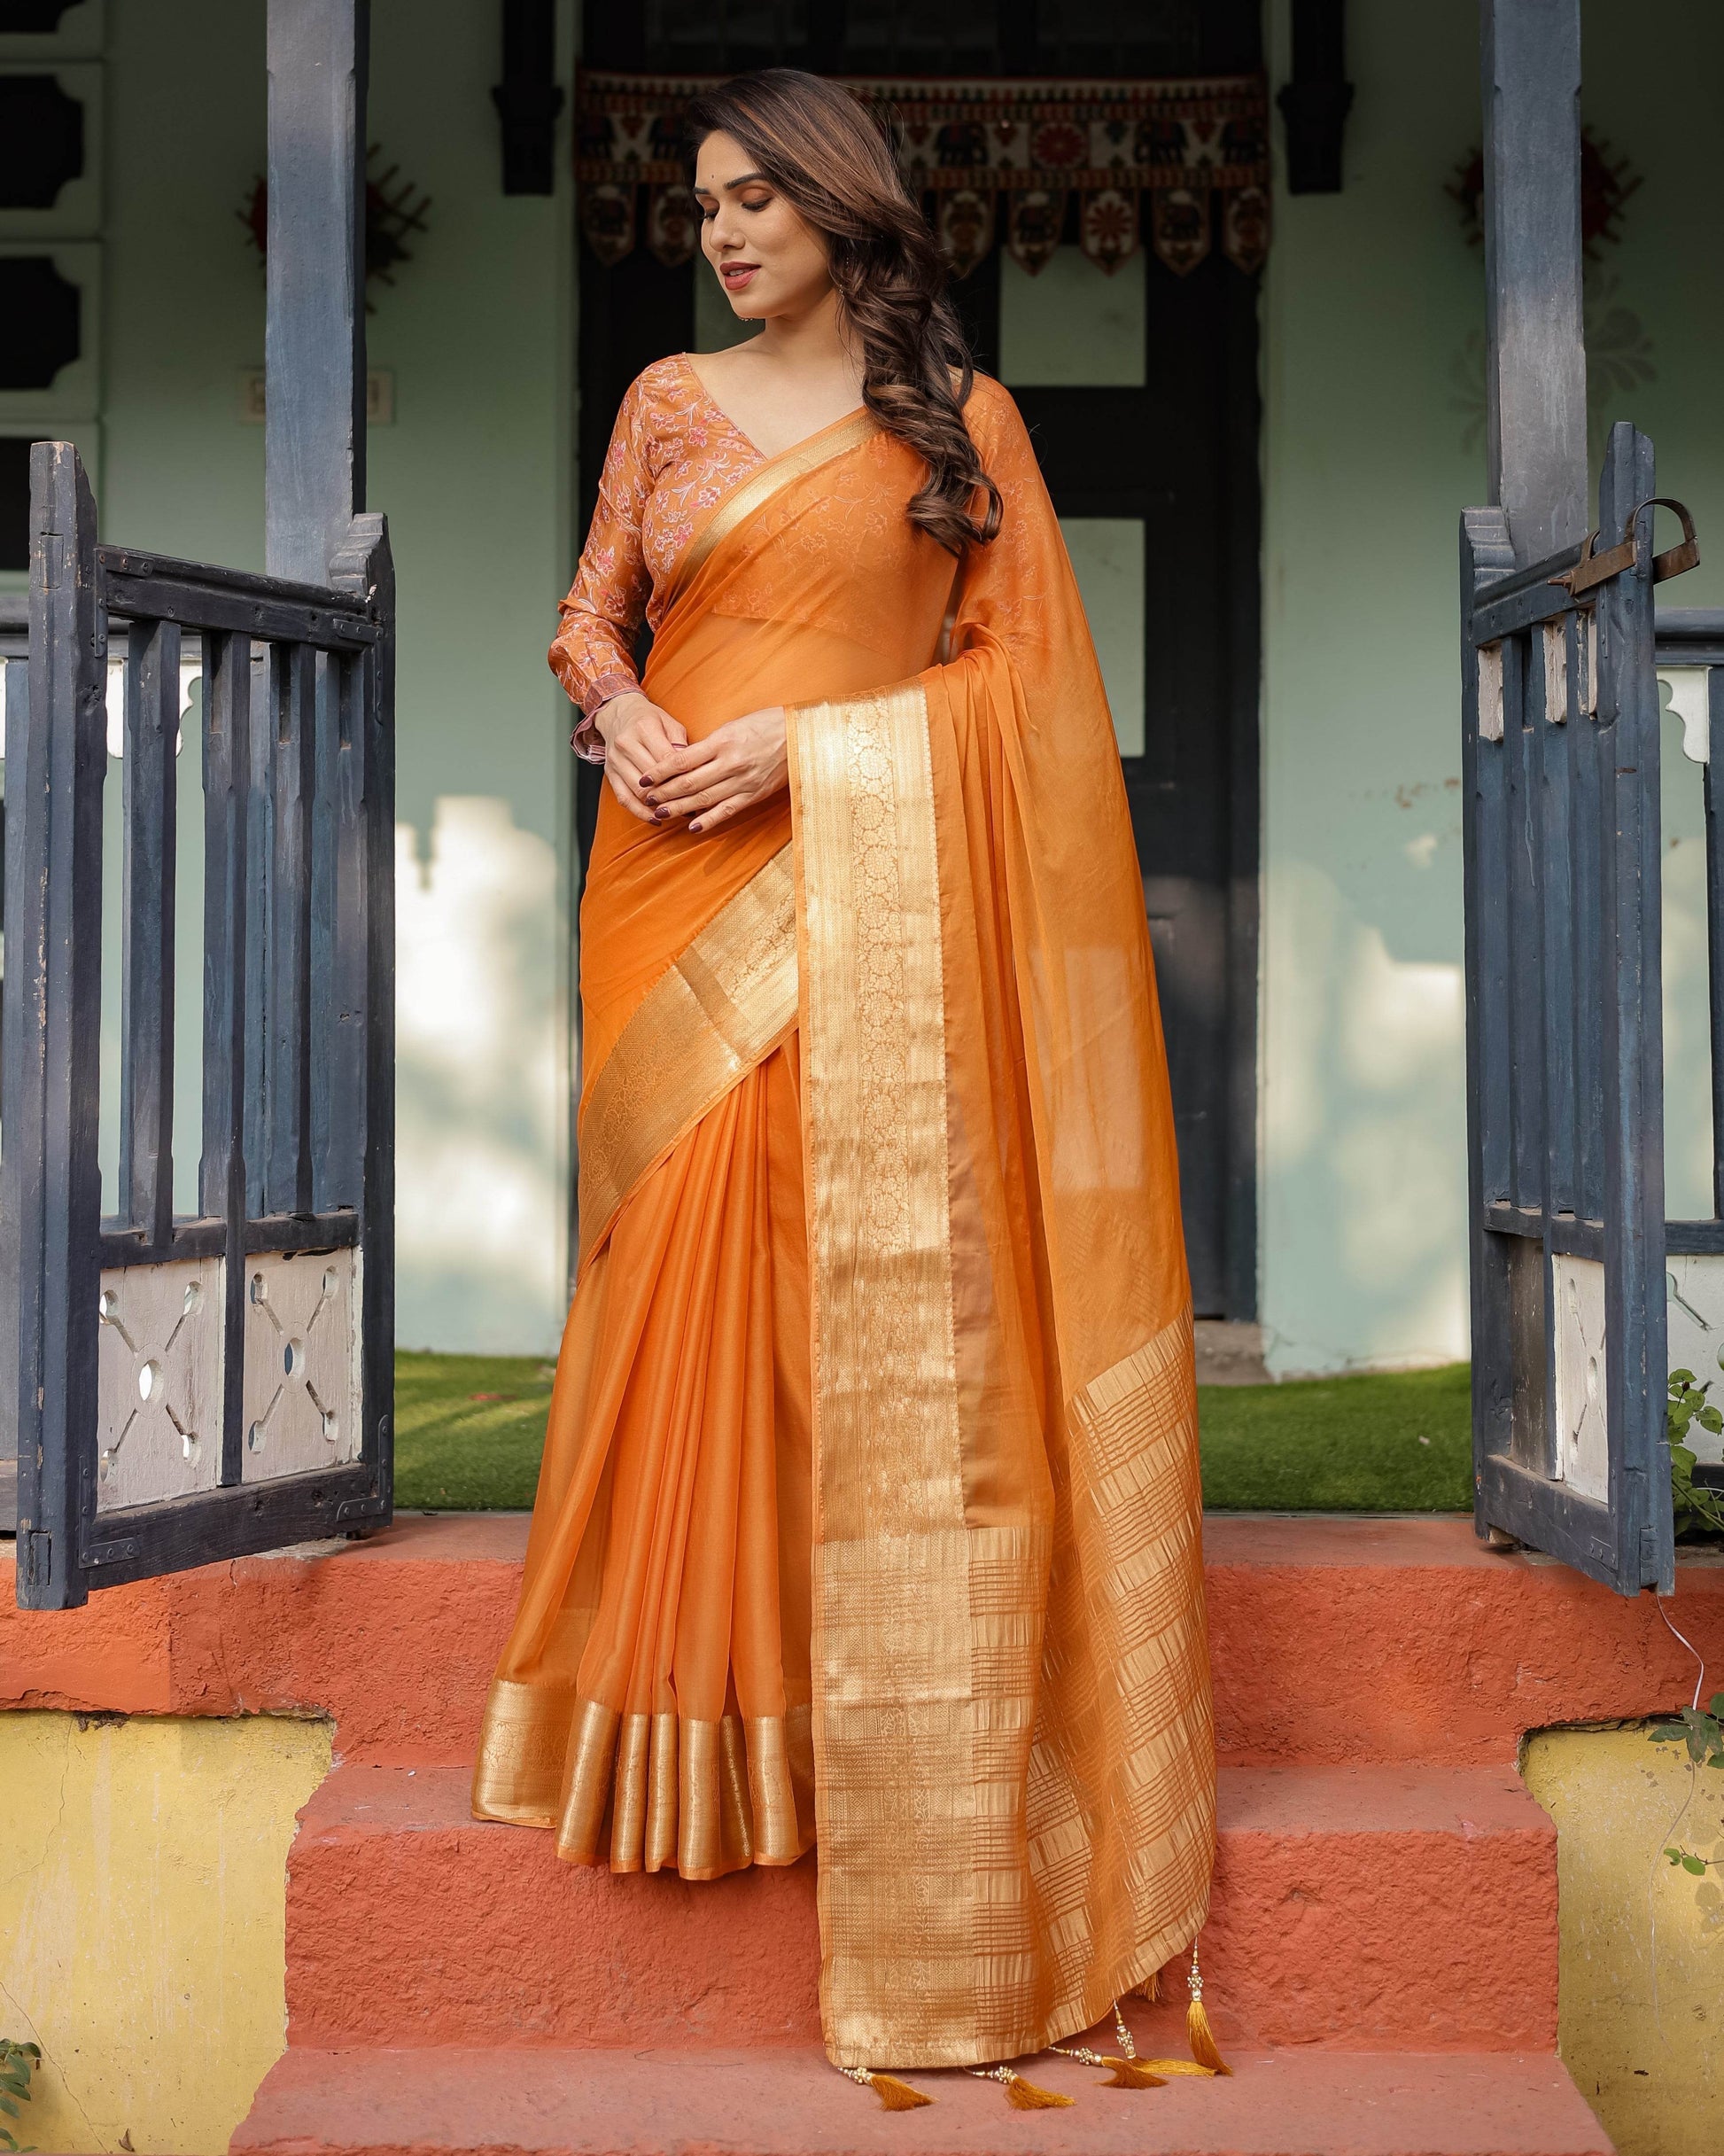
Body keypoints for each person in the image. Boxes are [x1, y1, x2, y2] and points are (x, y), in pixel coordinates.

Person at [472, 66, 1218, 2101]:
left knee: (844, 1291)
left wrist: (811, 755)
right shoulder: (660, 400)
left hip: (854, 879)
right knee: (688, 1255)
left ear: (841, 208)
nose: (718, 231)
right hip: (668, 879)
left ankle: (853, 1710)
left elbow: (1020, 683)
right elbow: (584, 613)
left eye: (755, 200)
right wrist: (625, 717)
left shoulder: (960, 427)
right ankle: (681, 1718)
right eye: (701, 202)